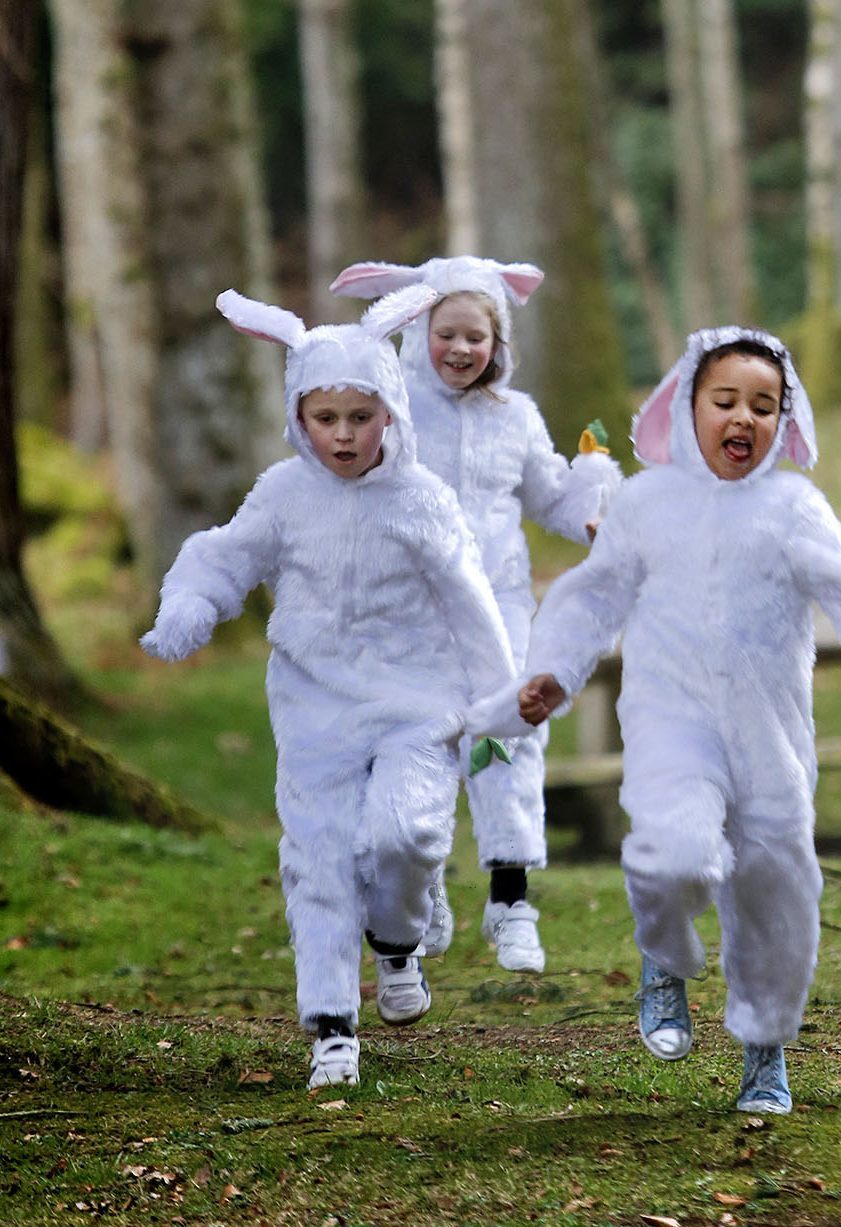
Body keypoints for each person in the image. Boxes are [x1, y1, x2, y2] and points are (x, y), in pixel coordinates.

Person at [511, 327, 841, 1113]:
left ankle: (764, 1047)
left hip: (769, 735)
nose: (744, 418)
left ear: (785, 421)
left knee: (775, 888)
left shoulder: (793, 508)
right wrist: (551, 671)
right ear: (687, 408)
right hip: (672, 721)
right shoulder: (645, 504)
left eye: (764, 406)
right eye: (726, 401)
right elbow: (593, 594)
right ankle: (664, 957)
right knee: (672, 854)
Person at [140, 286, 516, 1088]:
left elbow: (470, 599)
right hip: (315, 708)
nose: (343, 436)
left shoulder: (422, 499)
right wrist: (191, 603)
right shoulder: (283, 495)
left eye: (361, 415)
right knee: (319, 859)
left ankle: (398, 938)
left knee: (404, 837)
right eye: (325, 418)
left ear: (392, 412)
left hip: (418, 700)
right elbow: (224, 555)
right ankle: (332, 1026)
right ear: (298, 417)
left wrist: (501, 700)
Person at [330, 257, 621, 975]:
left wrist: (591, 503)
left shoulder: (514, 418)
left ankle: (511, 898)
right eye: (447, 334)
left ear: (498, 345)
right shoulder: (394, 412)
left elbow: (549, 496)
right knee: (418, 747)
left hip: (502, 605)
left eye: (477, 338)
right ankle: (423, 888)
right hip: (413, 612)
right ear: (421, 330)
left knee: (512, 736)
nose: (461, 350)